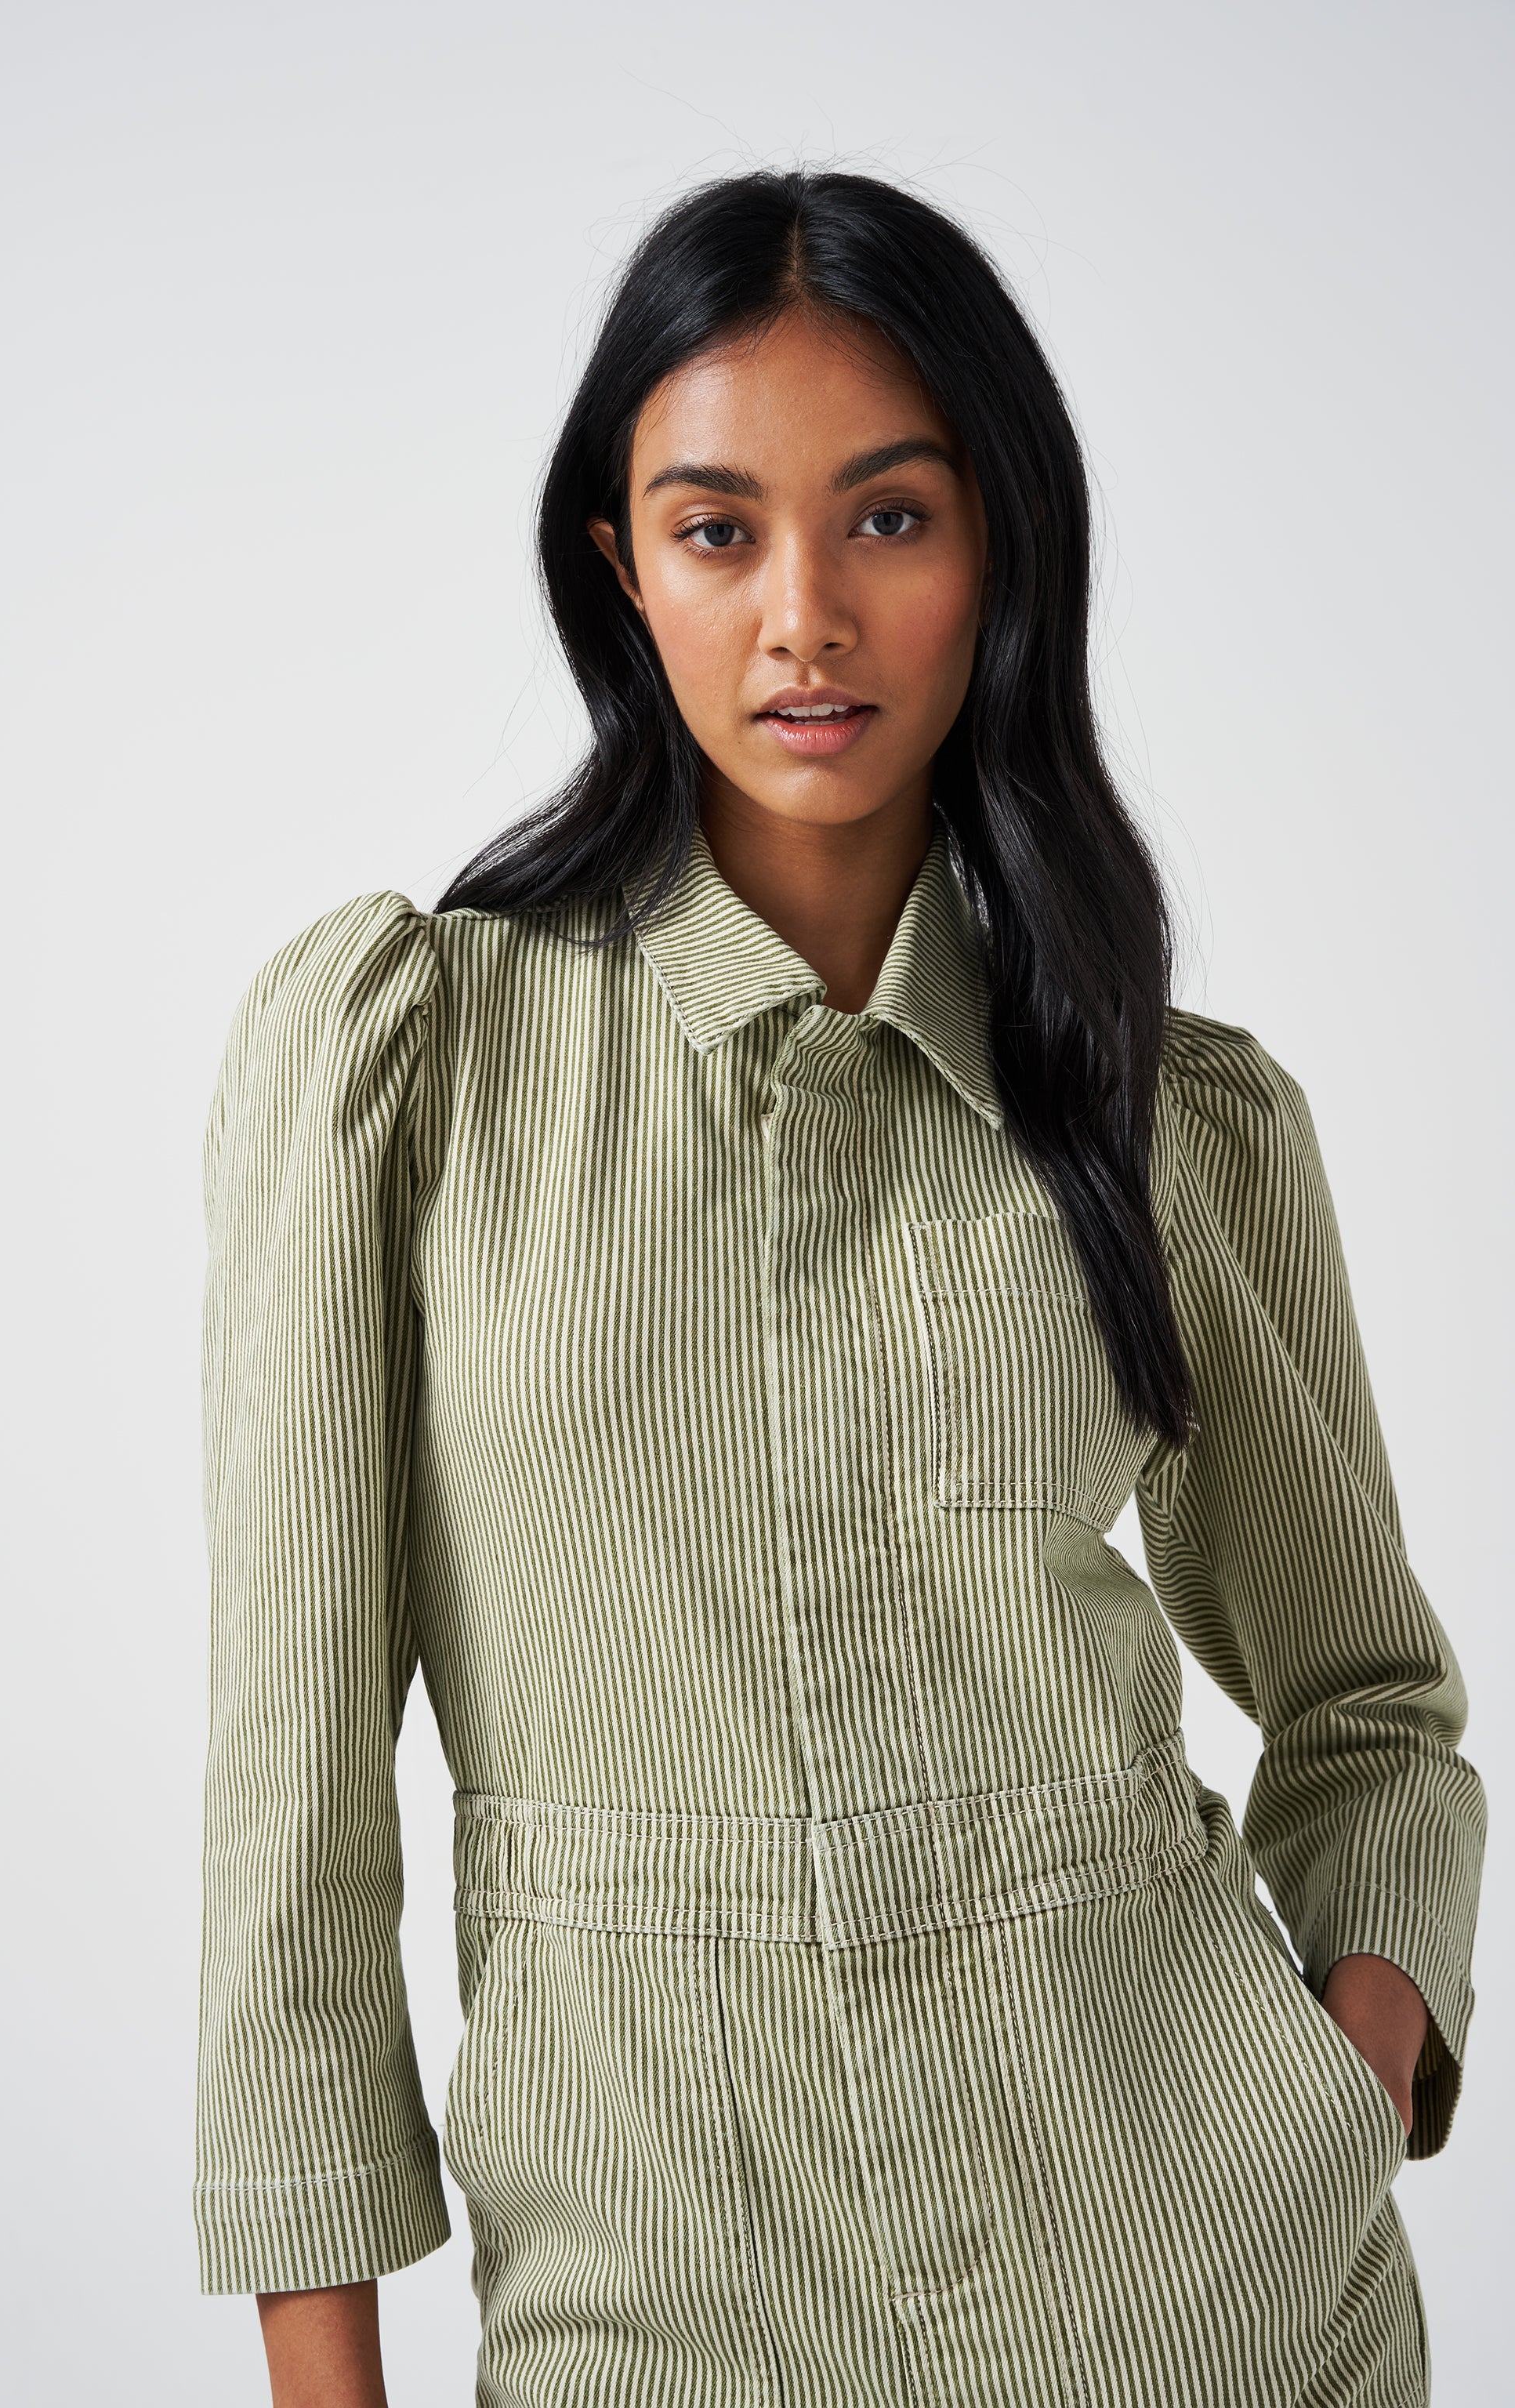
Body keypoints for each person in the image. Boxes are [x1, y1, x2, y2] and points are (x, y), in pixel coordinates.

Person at [195, 169, 1485, 2408]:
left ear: (997, 553)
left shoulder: (1156, 1108)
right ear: (622, 567)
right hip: (659, 2333)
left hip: (1207, 2317)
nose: (806, 615)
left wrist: (1340, 2087)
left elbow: (1369, 1701)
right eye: (720, 531)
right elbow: (289, 1841)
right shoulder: (405, 1073)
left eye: (888, 521)